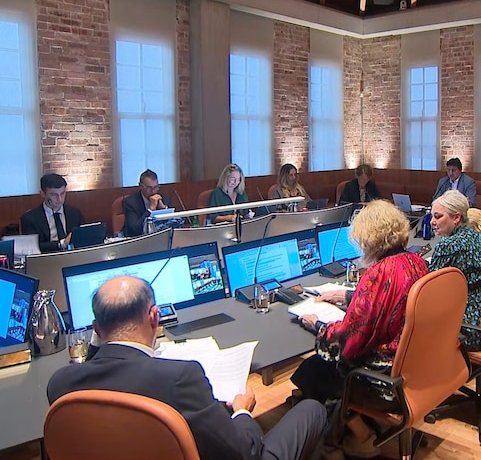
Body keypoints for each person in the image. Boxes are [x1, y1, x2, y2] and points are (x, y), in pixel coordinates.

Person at [46, 276, 327, 460]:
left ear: (96, 329)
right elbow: (245, 453)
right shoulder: (179, 378)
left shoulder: (60, 384)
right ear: (155, 317)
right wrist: (241, 411)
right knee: (312, 410)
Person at [291, 200, 427, 457]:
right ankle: (348, 423)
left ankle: (360, 435)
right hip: (413, 364)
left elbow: (349, 338)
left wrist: (317, 325)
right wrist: (348, 296)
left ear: (369, 238)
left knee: (313, 370)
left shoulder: (377, 273)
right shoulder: (414, 262)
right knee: (313, 369)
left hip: (386, 376)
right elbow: (389, 300)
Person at [428, 190, 481, 351]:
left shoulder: (448, 246)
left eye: (438, 216)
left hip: (466, 329)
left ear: (456, 217)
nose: (432, 222)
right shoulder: (476, 235)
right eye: (432, 216)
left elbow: (427, 291)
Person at [20, 173, 84, 252]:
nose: (60, 199)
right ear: (43, 194)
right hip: (45, 260)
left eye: (62, 193)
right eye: (54, 195)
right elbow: (32, 246)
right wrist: (62, 243)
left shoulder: (75, 213)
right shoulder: (29, 218)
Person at [122, 169, 171, 237]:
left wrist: (164, 209)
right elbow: (134, 229)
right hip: (137, 240)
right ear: (140, 186)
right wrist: (150, 210)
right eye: (149, 188)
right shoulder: (130, 203)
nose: (153, 191)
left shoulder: (164, 199)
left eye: (156, 187)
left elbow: (172, 224)